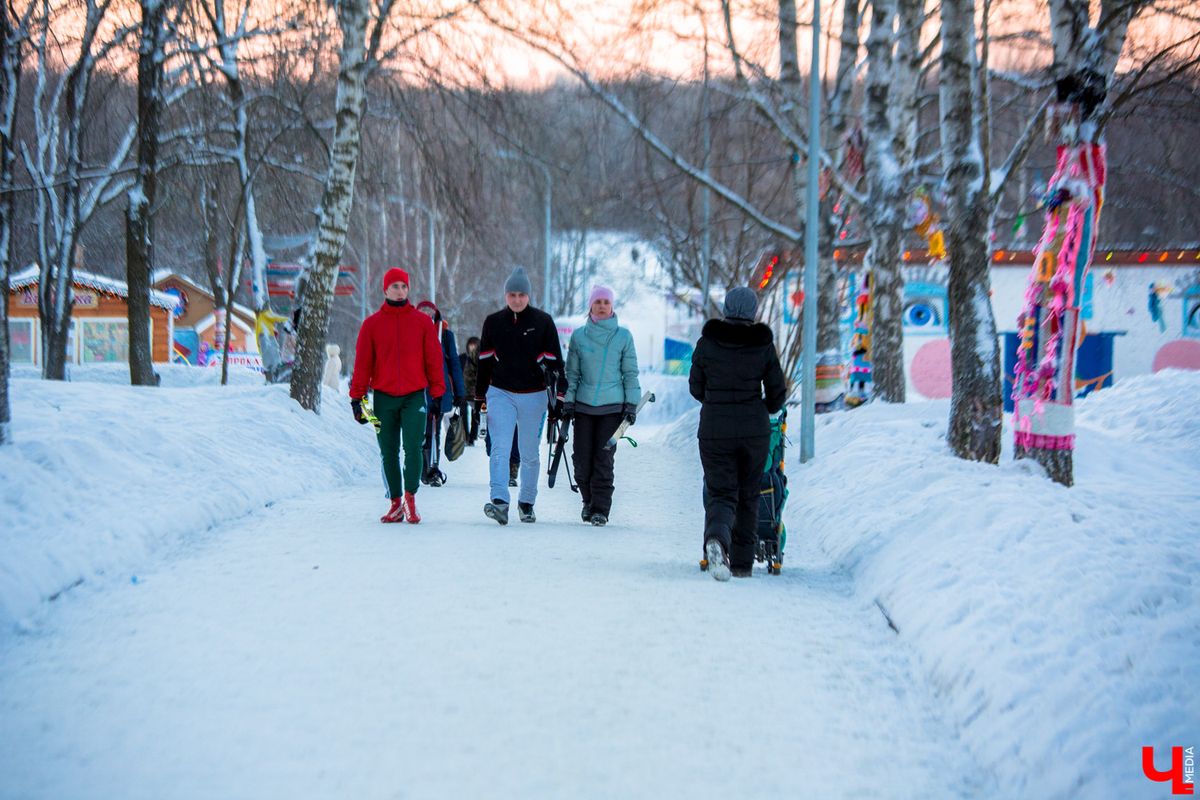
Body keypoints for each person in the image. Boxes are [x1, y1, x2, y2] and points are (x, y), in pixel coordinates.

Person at [689, 287, 787, 580]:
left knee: (720, 491)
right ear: (753, 311)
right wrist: (764, 407)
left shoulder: (707, 343)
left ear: (726, 308)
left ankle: (717, 539)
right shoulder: (763, 345)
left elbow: (696, 387)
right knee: (748, 494)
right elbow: (777, 393)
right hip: (752, 431)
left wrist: (714, 400)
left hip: (714, 429)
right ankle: (743, 563)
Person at [349, 267, 446, 524]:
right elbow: (362, 365)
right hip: (381, 398)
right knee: (387, 451)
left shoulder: (422, 323)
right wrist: (357, 398)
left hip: (415, 396)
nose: (400, 290)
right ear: (385, 289)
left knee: (413, 448)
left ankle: (410, 498)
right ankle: (394, 503)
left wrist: (437, 393)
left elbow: (434, 361)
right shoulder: (371, 325)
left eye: (403, 286)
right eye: (395, 286)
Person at [475, 266, 565, 525]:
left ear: (528, 296)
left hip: (534, 395)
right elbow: (484, 363)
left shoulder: (543, 322)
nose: (516, 299)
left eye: (521, 295)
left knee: (529, 453)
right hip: (500, 393)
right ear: (505, 295)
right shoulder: (493, 322)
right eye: (512, 294)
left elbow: (556, 363)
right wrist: (479, 399)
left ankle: (526, 502)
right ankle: (500, 502)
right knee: (500, 449)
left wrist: (558, 397)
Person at [562, 285, 640, 526]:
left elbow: (630, 372)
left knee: (603, 460)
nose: (603, 306)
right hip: (584, 407)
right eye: (598, 302)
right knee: (581, 460)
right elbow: (572, 373)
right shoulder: (579, 336)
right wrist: (569, 401)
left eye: (607, 302)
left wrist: (631, 405)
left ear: (612, 306)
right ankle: (588, 500)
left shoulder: (623, 336)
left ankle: (600, 509)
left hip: (612, 408)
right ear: (591, 306)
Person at [416, 300, 466, 485]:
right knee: (421, 430)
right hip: (417, 389)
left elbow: (454, 363)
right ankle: (423, 467)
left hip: (439, 389)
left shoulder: (445, 335)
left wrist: (460, 393)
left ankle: (433, 468)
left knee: (434, 429)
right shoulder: (412, 332)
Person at [459, 336, 481, 445]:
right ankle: (465, 436)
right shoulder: (463, 358)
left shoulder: (481, 358)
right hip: (464, 390)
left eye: (474, 345)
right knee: (463, 412)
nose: (472, 347)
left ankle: (472, 436)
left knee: (475, 413)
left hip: (477, 391)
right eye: (471, 345)